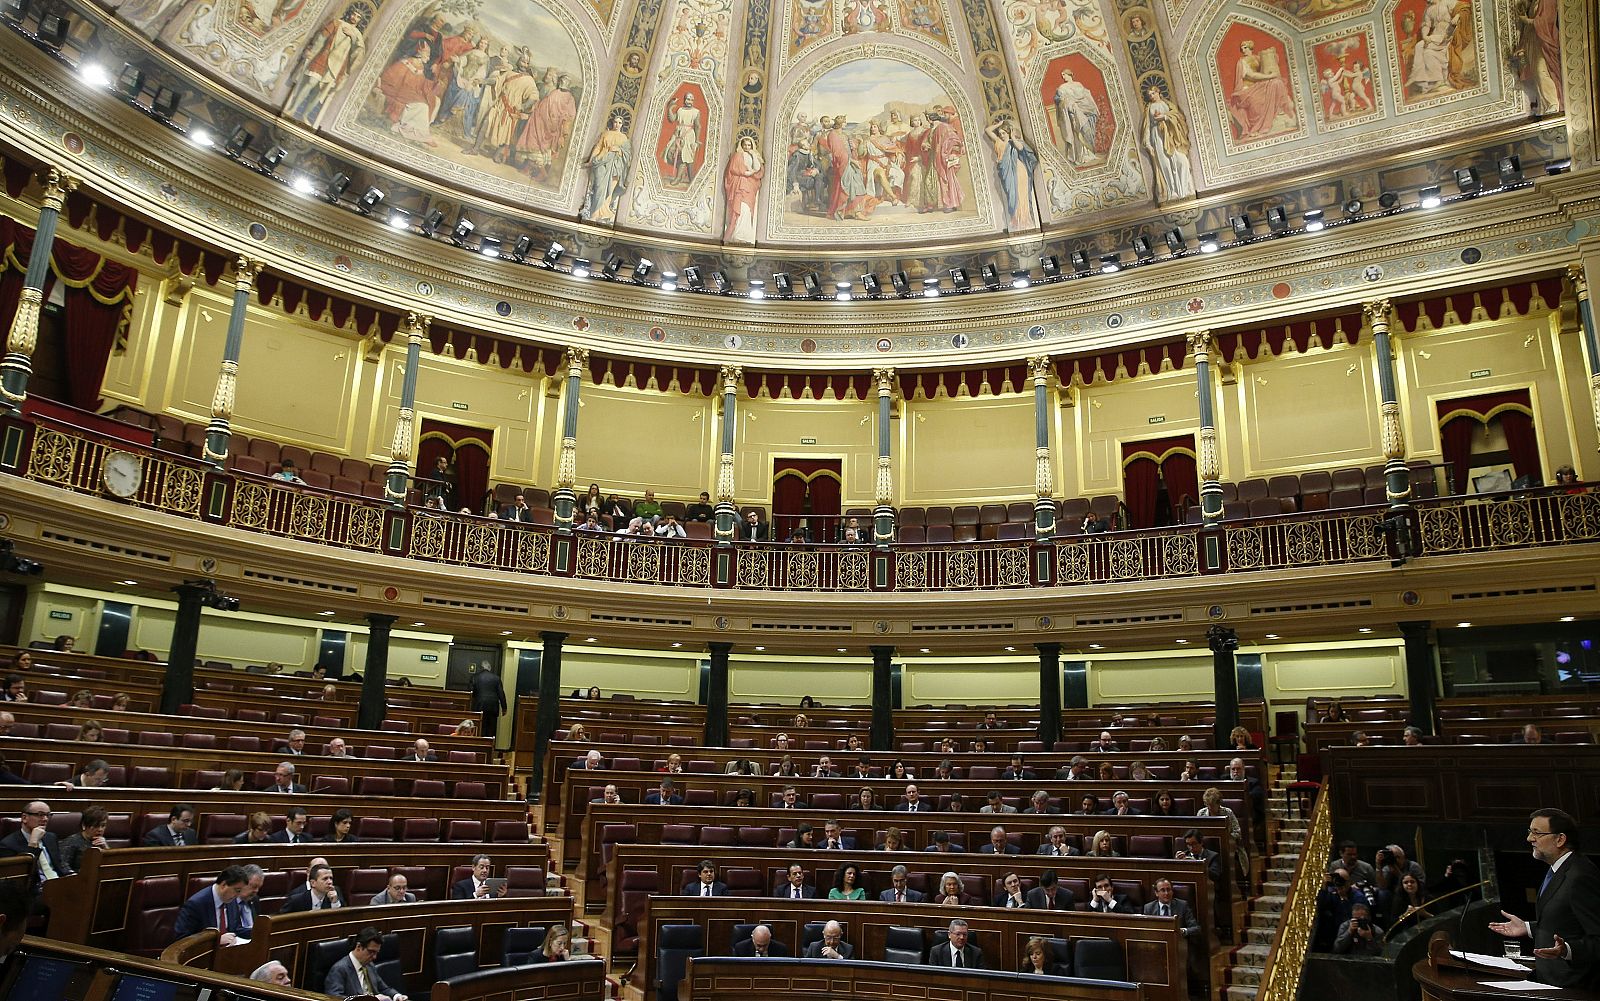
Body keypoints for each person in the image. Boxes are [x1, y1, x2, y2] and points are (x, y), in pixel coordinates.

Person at [1489, 807, 1600, 988]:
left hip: (1573, 987)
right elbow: (1566, 923)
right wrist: (1527, 928)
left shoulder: (1580, 876)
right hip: (1549, 980)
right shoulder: (1558, 869)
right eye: (1529, 832)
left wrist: (1567, 950)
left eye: (1537, 833)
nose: (1529, 838)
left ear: (1560, 839)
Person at [326, 926, 408, 1001]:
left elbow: (383, 988)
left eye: (376, 953)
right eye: (371, 952)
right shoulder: (339, 969)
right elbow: (334, 998)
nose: (374, 957)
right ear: (359, 947)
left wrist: (397, 996)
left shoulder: (369, 965)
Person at [174, 865, 249, 942]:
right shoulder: (196, 904)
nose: (238, 895)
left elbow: (236, 929)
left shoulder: (230, 900)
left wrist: (258, 931)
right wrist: (216, 941)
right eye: (237, 890)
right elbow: (183, 939)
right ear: (223, 885)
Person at [60, 805, 109, 872]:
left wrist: (106, 849)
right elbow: (63, 864)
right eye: (95, 826)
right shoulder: (72, 841)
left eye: (103, 825)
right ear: (84, 825)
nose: (100, 829)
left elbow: (111, 865)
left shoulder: (102, 843)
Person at [470, 662, 507, 739]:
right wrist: (504, 708)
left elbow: (471, 692)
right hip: (493, 706)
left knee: (479, 727)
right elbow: (501, 693)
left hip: (479, 705)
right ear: (489, 668)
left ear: (481, 668)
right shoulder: (496, 678)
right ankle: (489, 747)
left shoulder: (475, 677)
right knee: (491, 728)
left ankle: (479, 746)